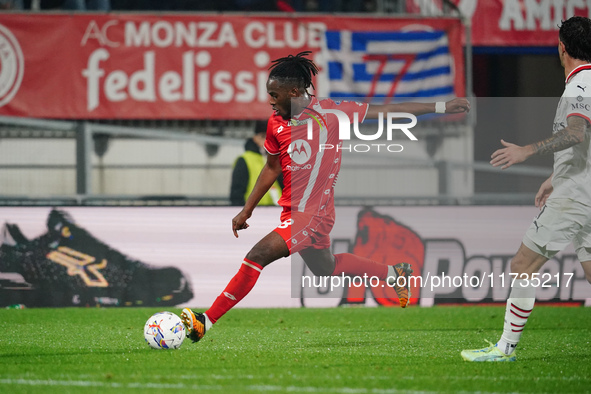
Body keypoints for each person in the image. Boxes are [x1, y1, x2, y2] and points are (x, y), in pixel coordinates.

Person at [181, 51, 470, 343]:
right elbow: (271, 166)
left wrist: (441, 106)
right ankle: (395, 274)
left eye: (274, 94)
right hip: (292, 212)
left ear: (293, 92)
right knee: (325, 268)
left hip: (314, 214)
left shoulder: (332, 113)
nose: (269, 100)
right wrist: (247, 210)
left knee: (257, 256)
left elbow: (387, 111)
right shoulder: (275, 123)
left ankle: (207, 320)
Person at [461, 16, 591, 362]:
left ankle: (505, 349)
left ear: (561, 46)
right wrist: (555, 176)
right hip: (581, 188)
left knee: (522, 264)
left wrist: (527, 151)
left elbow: (577, 133)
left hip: (577, 196)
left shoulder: (580, 86)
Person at [230, 121, 282, 206]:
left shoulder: (277, 159)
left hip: (276, 210)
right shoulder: (245, 160)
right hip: (253, 211)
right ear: (255, 138)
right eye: (263, 136)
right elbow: (237, 193)